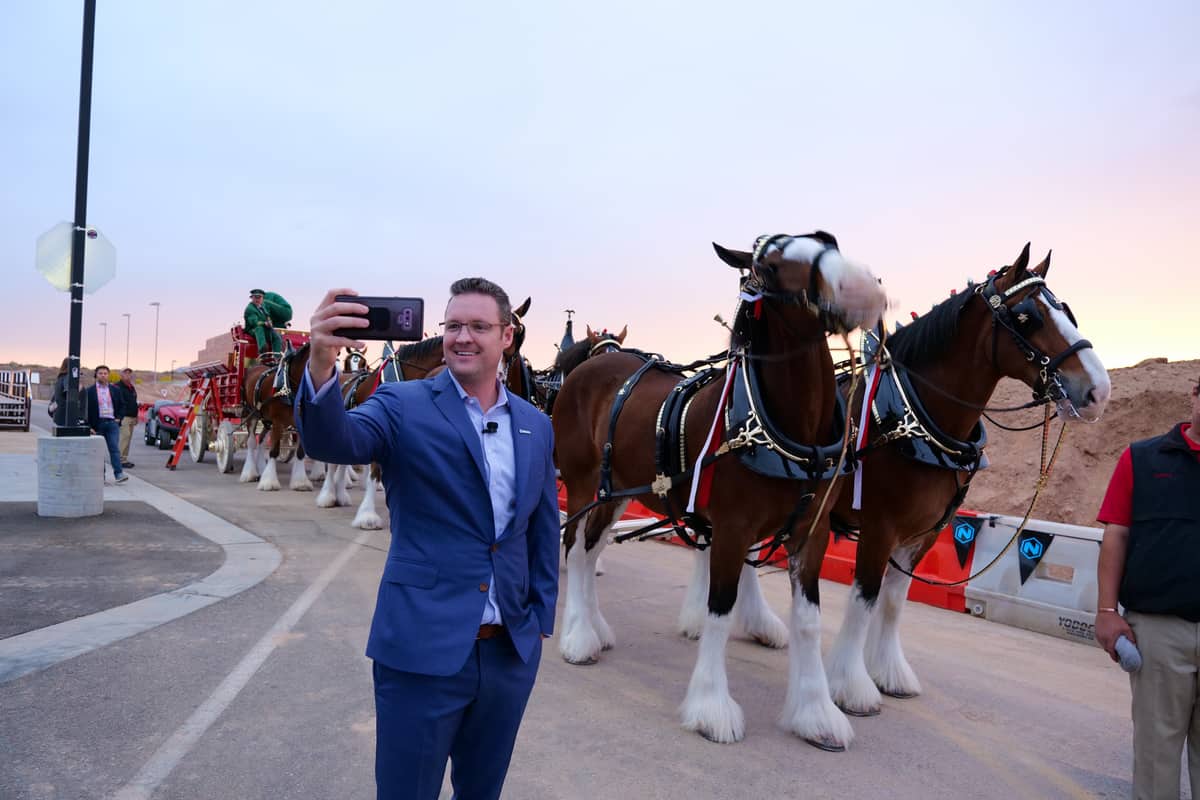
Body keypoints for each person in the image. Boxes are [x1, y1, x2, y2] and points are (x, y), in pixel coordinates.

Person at [295, 278, 558, 800]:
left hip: (507, 654)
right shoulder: (401, 404)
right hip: (420, 652)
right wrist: (321, 360)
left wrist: (539, 619)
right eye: (454, 325)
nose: (463, 337)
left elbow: (541, 529)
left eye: (479, 326)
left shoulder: (534, 424)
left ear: (507, 336)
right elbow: (333, 439)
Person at [1096, 375, 1200, 799]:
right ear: (1195, 394)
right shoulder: (1141, 458)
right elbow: (1116, 535)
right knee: (1157, 759)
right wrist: (1106, 612)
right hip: (1158, 631)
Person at [84, 365, 129, 484]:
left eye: (105, 373)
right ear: (96, 375)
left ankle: (119, 474)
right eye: (100, 373)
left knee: (114, 449)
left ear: (108, 375)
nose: (103, 375)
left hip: (112, 424)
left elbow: (123, 405)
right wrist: (89, 426)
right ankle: (100, 476)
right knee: (98, 452)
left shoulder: (115, 390)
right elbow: (85, 410)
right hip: (97, 425)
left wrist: (119, 418)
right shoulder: (89, 391)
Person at [244, 289, 284, 362]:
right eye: (256, 297)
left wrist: (270, 322)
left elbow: (268, 317)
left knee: (277, 336)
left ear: (262, 298)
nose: (258, 299)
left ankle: (277, 357)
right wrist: (264, 323)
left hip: (265, 328)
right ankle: (263, 353)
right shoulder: (250, 309)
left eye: (259, 297)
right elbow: (254, 322)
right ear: (252, 298)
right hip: (252, 329)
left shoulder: (263, 307)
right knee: (259, 329)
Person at [115, 368, 138, 468]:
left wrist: (136, 416)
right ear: (121, 375)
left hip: (132, 417)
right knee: (124, 437)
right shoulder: (117, 387)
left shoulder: (131, 388)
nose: (128, 375)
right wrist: (117, 417)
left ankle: (124, 459)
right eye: (125, 373)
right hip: (123, 417)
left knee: (128, 439)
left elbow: (134, 402)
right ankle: (118, 460)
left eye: (129, 373)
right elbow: (116, 403)